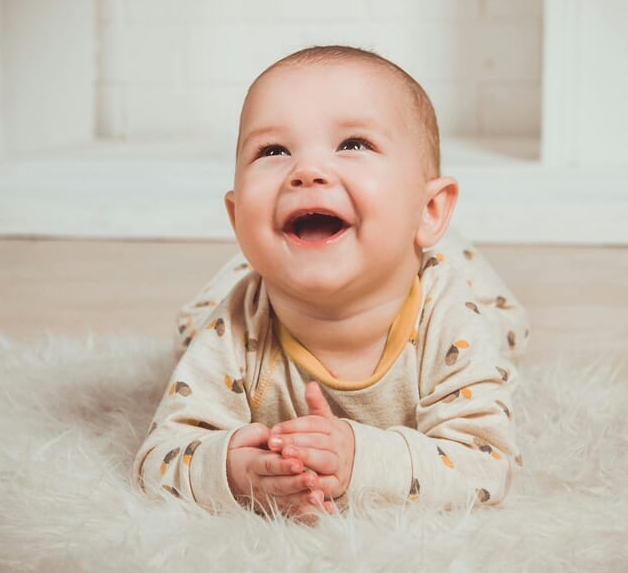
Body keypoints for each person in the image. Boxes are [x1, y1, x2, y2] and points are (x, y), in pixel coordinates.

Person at [133, 45, 529, 518]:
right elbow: (160, 457)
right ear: (238, 219)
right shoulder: (237, 329)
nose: (307, 171)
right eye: (273, 151)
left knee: (505, 330)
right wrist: (232, 471)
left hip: (450, 277)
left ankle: (439, 240)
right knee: (193, 328)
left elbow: (486, 463)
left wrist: (361, 459)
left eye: (353, 145)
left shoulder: (451, 318)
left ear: (429, 210)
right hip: (258, 272)